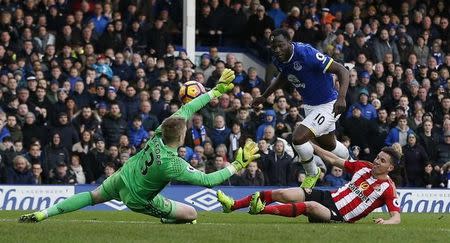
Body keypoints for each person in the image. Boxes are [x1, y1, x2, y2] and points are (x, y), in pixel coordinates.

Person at [19, 69, 260, 224]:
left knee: (92, 197)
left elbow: (186, 110)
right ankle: (167, 218)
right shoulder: (173, 164)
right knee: (192, 215)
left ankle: (44, 213)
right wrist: (237, 164)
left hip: (123, 176)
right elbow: (209, 180)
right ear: (181, 136)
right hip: (137, 198)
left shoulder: (158, 134)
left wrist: (215, 91)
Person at [252, 28, 350, 188]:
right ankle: (351, 161)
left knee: (297, 138)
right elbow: (283, 76)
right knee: (328, 144)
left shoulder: (306, 54)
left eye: (280, 45)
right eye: (273, 47)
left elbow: (342, 70)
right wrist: (264, 95)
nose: (277, 50)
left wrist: (342, 97)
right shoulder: (279, 59)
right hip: (310, 106)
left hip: (329, 104)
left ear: (289, 42)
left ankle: (312, 173)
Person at [217, 143, 401, 224]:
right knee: (284, 194)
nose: (377, 161)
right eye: (378, 157)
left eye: (382, 161)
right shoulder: (363, 166)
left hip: (340, 215)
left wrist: (386, 222)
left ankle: (261, 209)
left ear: (390, 168)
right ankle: (232, 206)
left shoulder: (388, 188)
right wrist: (313, 146)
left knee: (310, 206)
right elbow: (333, 159)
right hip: (329, 197)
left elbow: (396, 217)